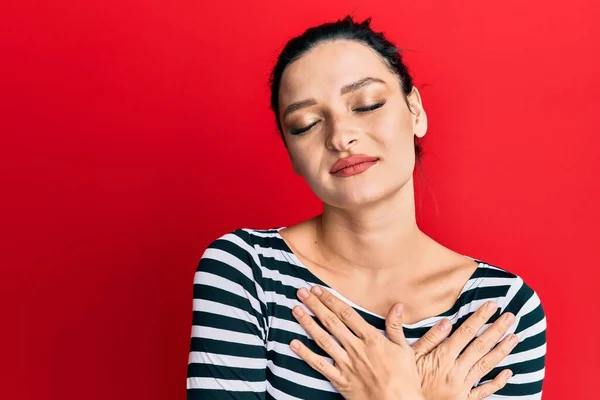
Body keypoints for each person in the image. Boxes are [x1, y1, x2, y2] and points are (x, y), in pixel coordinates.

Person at [186, 16, 546, 399]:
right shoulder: (245, 271)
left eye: (367, 104)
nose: (341, 137)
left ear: (416, 111)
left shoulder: (501, 308)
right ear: (292, 154)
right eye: (306, 124)